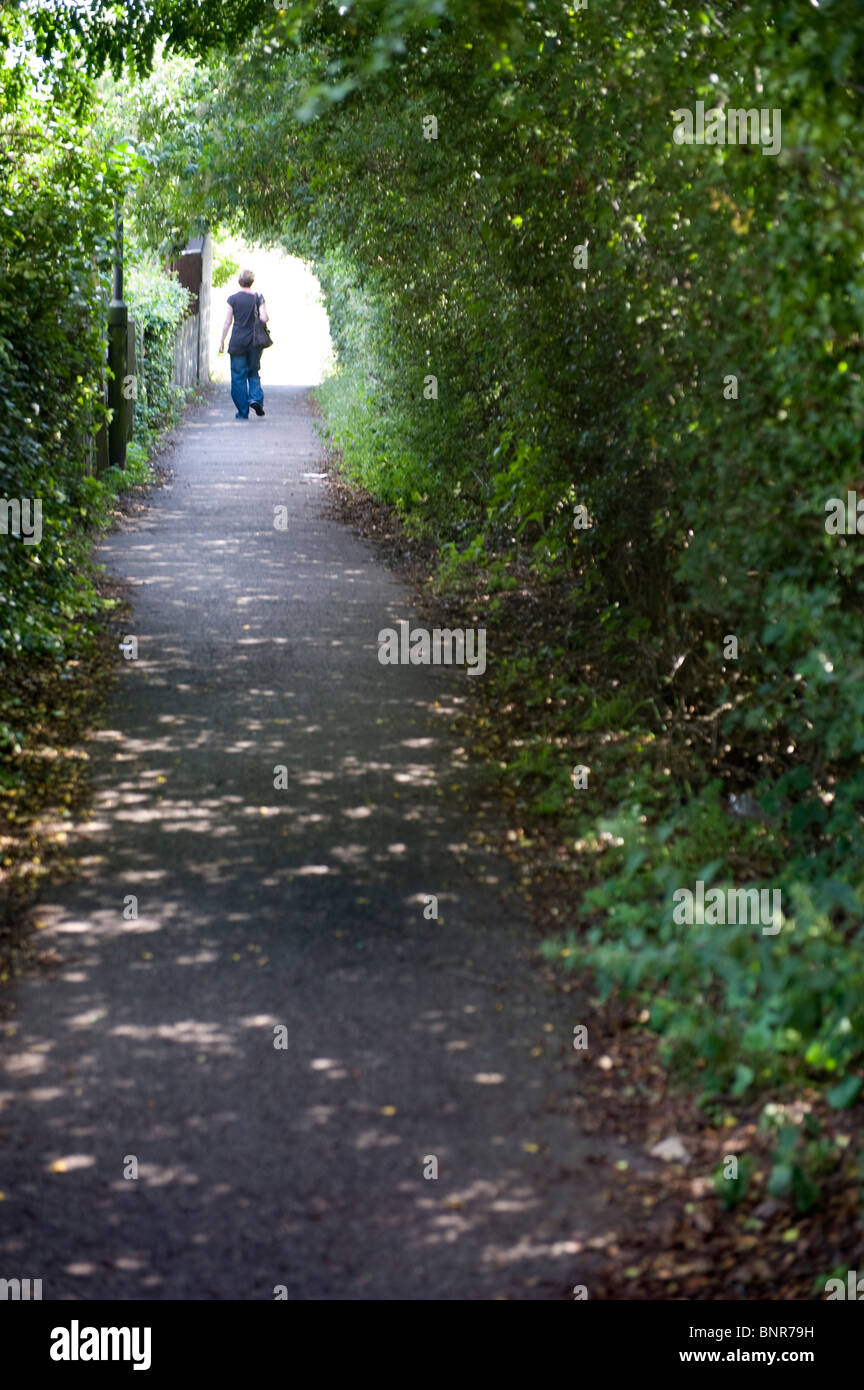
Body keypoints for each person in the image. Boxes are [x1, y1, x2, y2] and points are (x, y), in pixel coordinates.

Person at [218, 269, 269, 419]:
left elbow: (228, 321)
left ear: (240, 281)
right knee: (253, 371)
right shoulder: (258, 298)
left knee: (238, 377)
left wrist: (221, 340)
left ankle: (242, 412)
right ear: (251, 282)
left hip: (238, 343)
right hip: (255, 342)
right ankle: (255, 399)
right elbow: (264, 318)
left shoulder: (232, 299)